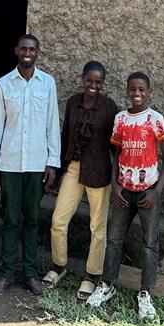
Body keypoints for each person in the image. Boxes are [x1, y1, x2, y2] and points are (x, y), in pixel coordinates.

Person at [86, 71, 164, 320]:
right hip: (123, 190)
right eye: (132, 90)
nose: (137, 94)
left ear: (148, 92)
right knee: (114, 239)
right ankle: (106, 284)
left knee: (149, 243)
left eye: (141, 90)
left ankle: (145, 292)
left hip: (148, 192)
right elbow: (115, 155)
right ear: (127, 91)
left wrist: (157, 191)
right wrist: (114, 185)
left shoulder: (155, 119)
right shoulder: (121, 119)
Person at [0, 34, 60, 296]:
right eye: (23, 49)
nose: (28, 53)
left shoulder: (47, 84)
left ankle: (29, 275)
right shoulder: (4, 85)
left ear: (38, 51)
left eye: (32, 49)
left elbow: (52, 124)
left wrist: (52, 162)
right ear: (16, 51)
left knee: (32, 220)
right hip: (9, 164)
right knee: (10, 219)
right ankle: (6, 274)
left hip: (37, 164)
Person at [43, 60, 118, 302]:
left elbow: (115, 145)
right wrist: (58, 167)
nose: (93, 85)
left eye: (98, 82)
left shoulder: (108, 107)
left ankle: (91, 274)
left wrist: (116, 178)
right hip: (74, 167)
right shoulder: (73, 102)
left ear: (102, 84)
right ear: (83, 78)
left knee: (98, 226)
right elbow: (65, 135)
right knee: (58, 219)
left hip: (98, 171)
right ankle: (59, 265)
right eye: (90, 80)